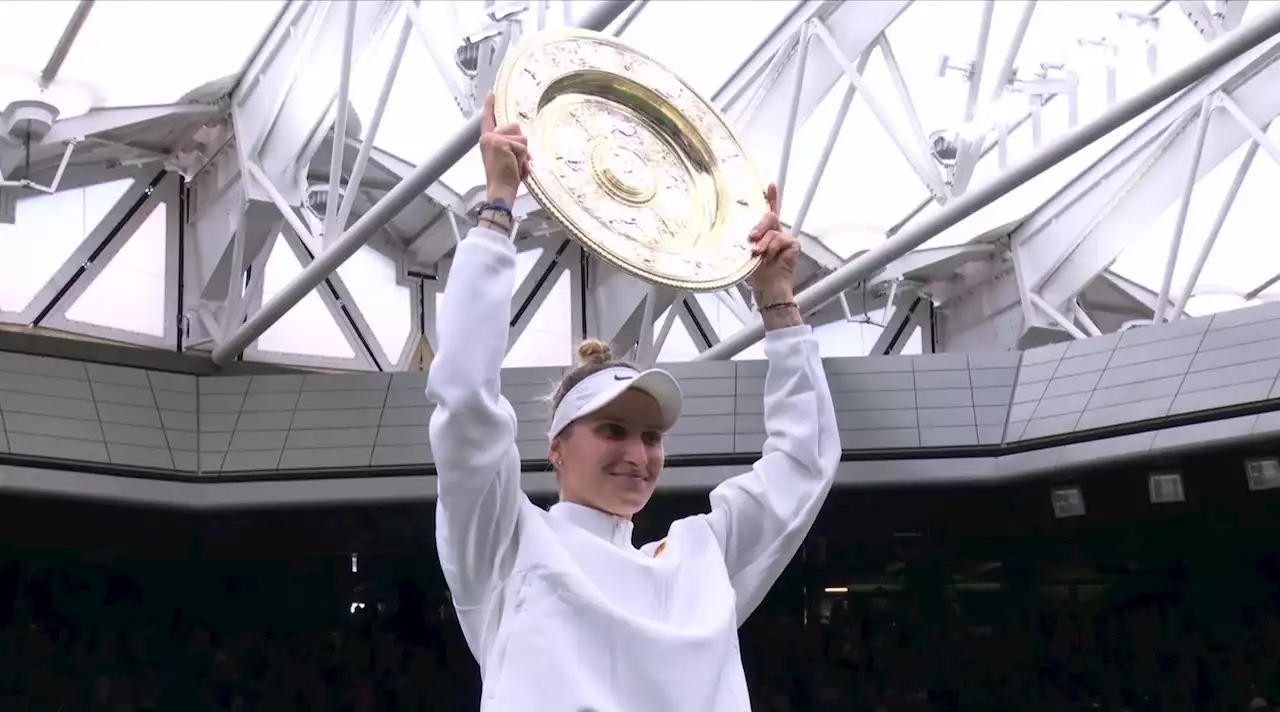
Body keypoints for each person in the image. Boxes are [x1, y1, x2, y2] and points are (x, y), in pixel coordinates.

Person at [425, 93, 840, 712]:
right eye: (613, 429)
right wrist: (497, 208)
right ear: (557, 450)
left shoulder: (700, 556)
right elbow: (463, 396)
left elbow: (803, 465)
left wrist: (778, 301)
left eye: (651, 436)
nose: (637, 453)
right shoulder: (507, 543)